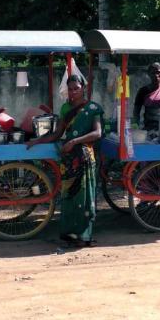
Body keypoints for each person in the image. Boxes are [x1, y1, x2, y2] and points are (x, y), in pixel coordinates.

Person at [26, 75, 103, 248]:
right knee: (68, 196)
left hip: (84, 156)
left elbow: (97, 133)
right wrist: (36, 141)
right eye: (70, 89)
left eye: (76, 88)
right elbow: (57, 134)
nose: (73, 92)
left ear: (83, 88)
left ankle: (84, 236)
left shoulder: (93, 108)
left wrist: (75, 141)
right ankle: (70, 234)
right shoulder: (65, 108)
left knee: (84, 197)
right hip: (68, 159)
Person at [133, 62, 160, 130]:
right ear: (149, 74)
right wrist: (135, 128)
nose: (156, 75)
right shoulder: (143, 91)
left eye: (158, 72)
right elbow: (136, 112)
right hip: (150, 129)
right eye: (153, 73)